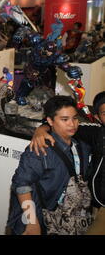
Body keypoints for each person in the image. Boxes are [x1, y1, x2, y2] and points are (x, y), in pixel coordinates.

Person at [7, 96, 91, 235]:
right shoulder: (40, 149)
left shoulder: (81, 146)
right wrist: (32, 221)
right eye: (64, 119)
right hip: (41, 219)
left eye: (75, 118)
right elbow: (21, 184)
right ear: (51, 121)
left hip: (69, 219)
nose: (72, 124)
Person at [30, 91, 105, 235]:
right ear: (98, 117)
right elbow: (65, 126)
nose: (72, 122)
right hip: (98, 206)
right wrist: (41, 130)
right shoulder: (96, 134)